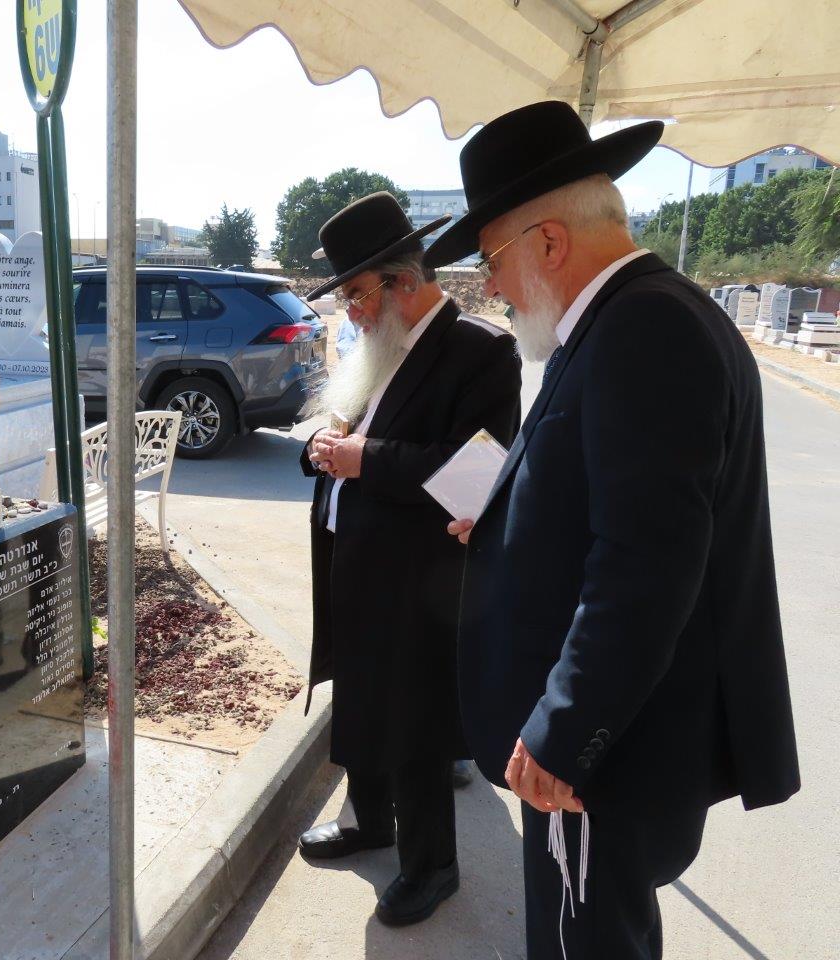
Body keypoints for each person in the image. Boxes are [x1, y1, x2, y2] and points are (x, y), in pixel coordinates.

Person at [423, 101, 800, 959]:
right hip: (610, 747)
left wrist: (564, 731)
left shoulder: (645, 329)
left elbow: (649, 559)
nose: (495, 289)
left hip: (601, 760)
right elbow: (610, 502)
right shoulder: (620, 321)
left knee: (584, 947)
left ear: (548, 243)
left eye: (492, 262)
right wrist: (505, 517)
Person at [297, 192, 522, 926]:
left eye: (358, 294)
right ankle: (370, 822)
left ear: (401, 280)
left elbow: (478, 470)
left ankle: (433, 867)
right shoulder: (377, 346)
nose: (352, 312)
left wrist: (367, 460)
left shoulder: (480, 351)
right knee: (362, 698)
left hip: (419, 578)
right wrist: (319, 452)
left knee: (417, 724)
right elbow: (337, 433)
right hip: (353, 562)